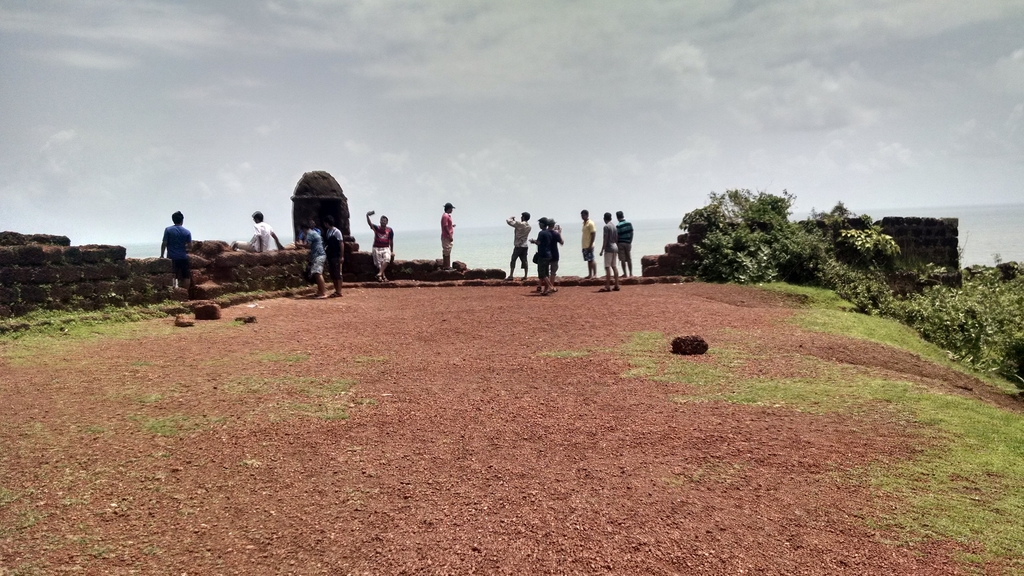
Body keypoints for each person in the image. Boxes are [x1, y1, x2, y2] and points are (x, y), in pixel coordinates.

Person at [160, 211, 192, 290]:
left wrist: (162, 255)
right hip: (183, 257)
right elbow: (190, 246)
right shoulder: (187, 232)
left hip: (171, 257)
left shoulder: (168, 230)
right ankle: (185, 293)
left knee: (172, 275)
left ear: (173, 220)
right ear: (182, 220)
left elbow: (164, 243)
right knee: (186, 276)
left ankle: (174, 292)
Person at [300, 221, 328, 298]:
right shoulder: (314, 233)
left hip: (318, 255)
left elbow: (308, 245)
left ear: (304, 229)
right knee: (316, 274)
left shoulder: (309, 234)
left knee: (318, 274)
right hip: (320, 254)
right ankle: (320, 291)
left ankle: (323, 292)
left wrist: (299, 245)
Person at [366, 210, 394, 282]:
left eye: (384, 221)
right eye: (382, 220)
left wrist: (392, 251)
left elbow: (391, 241)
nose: (383, 222)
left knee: (387, 259)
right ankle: (382, 277)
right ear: (380, 221)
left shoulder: (389, 230)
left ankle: (380, 273)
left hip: (386, 247)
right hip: (377, 247)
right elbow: (370, 224)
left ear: (387, 222)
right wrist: (367, 216)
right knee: (379, 263)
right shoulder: (377, 228)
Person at [506, 212, 532, 281]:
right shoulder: (529, 227)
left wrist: (512, 218)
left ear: (523, 217)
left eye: (522, 216)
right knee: (524, 260)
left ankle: (511, 275)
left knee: (513, 260)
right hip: (525, 245)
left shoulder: (520, 224)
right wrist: (515, 221)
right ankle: (525, 276)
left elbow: (509, 221)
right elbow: (517, 225)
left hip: (518, 246)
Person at [532, 217, 555, 295]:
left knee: (542, 273)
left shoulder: (541, 233)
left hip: (542, 255)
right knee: (546, 273)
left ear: (542, 224)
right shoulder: (549, 232)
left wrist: (533, 241)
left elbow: (538, 242)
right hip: (549, 254)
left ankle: (551, 287)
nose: (539, 225)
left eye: (539, 223)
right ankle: (545, 291)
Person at [599, 212, 620, 292]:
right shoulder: (614, 227)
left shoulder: (606, 227)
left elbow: (605, 238)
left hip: (609, 248)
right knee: (614, 266)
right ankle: (616, 285)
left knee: (607, 267)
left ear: (604, 218)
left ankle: (607, 286)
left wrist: (602, 250)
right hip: (615, 247)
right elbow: (616, 238)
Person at [323, 215, 344, 297]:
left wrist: (341, 256)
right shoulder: (328, 231)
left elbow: (341, 243)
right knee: (333, 274)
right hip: (330, 255)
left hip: (336, 255)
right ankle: (336, 290)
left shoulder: (337, 232)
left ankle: (339, 291)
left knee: (337, 273)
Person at [616, 211, 634, 277]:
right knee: (629, 258)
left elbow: (617, 236)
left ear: (617, 217)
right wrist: (630, 241)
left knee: (622, 259)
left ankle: (625, 274)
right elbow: (632, 233)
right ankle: (631, 273)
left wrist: (616, 244)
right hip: (628, 242)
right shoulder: (629, 224)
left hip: (621, 243)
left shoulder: (618, 226)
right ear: (623, 216)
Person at [548, 219, 564, 292]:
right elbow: (561, 242)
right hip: (554, 253)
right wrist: (559, 233)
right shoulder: (555, 234)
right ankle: (551, 286)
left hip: (546, 253)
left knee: (546, 271)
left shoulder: (545, 233)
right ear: (554, 225)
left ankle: (546, 286)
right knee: (553, 272)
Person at [581, 209, 597, 278]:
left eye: (583, 215)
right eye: (581, 215)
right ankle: (590, 274)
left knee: (592, 259)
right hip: (585, 245)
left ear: (587, 215)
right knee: (588, 260)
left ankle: (595, 274)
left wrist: (590, 245)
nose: (582, 216)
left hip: (589, 245)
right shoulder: (584, 223)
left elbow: (593, 234)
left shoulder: (590, 223)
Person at [440, 202, 455, 270]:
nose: (452, 210)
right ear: (449, 209)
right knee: (447, 251)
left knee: (447, 251)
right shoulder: (445, 216)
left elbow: (447, 225)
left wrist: (451, 226)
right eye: (451, 209)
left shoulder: (447, 216)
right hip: (446, 236)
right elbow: (445, 226)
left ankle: (447, 266)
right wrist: (449, 235)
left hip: (446, 236)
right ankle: (447, 266)